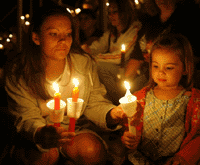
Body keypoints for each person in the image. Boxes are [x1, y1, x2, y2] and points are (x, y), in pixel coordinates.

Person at [3, 6, 126, 165]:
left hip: (74, 131)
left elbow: (94, 102)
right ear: (36, 38)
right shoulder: (19, 72)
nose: (63, 40)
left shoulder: (82, 64)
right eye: (53, 34)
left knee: (91, 150)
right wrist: (42, 133)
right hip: (36, 137)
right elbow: (26, 117)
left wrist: (112, 114)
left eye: (67, 34)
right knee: (46, 157)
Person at [121, 33, 200, 164]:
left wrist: (183, 157)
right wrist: (128, 139)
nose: (161, 72)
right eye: (156, 66)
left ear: (185, 68)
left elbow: (197, 136)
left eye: (169, 67)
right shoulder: (141, 98)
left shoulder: (192, 101)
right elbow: (130, 126)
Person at [82, 0, 146, 105]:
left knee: (98, 66)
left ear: (124, 12)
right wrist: (86, 50)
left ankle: (118, 101)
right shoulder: (112, 32)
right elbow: (99, 46)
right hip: (115, 69)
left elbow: (119, 57)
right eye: (109, 12)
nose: (111, 15)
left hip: (128, 70)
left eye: (115, 12)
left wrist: (94, 57)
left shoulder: (134, 29)